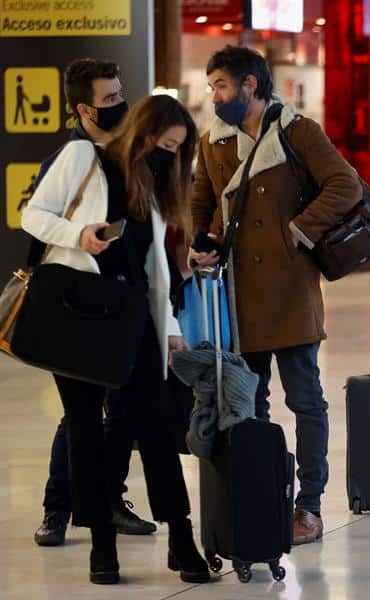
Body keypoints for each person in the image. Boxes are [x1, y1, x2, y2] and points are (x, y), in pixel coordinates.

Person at [22, 95, 209, 585]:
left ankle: (182, 537)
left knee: (156, 426)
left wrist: (168, 328)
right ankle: (101, 546)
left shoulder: (156, 185)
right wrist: (79, 234)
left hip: (133, 321)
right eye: (166, 144)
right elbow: (33, 215)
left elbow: (155, 268)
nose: (170, 154)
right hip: (79, 317)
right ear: (144, 132)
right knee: (84, 431)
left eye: (178, 149)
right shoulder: (85, 157)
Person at [190, 45, 362, 545]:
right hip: (239, 294)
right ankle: (263, 495)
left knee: (306, 400)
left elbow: (345, 187)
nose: (214, 95)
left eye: (221, 85)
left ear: (249, 86)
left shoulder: (297, 131)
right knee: (250, 403)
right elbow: (201, 201)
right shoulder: (213, 142)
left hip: (290, 289)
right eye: (212, 86)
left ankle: (309, 505)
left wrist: (297, 232)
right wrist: (201, 241)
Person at [32, 58, 156, 548]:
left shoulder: (133, 154)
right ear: (84, 108)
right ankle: (57, 508)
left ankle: (107, 498)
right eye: (108, 100)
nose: (119, 105)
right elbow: (34, 218)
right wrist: (79, 234)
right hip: (81, 302)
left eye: (120, 95)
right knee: (80, 412)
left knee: (123, 407)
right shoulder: (72, 158)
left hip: (126, 300)